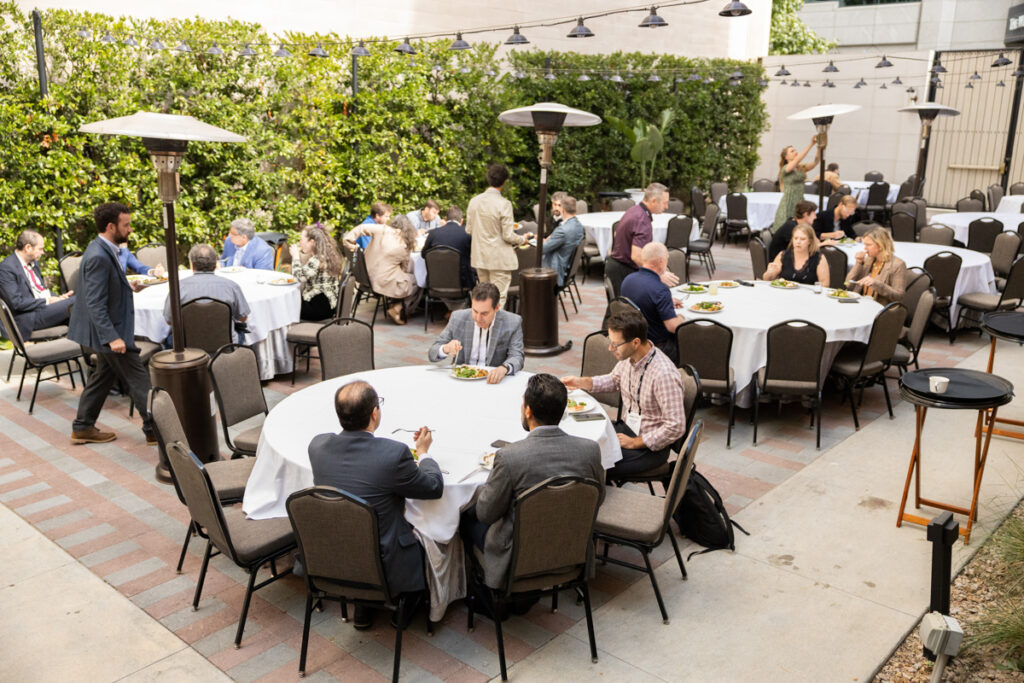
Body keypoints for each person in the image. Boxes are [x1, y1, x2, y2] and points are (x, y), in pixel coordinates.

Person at [308, 380, 443, 629]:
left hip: (332, 553)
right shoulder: (392, 454)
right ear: (374, 413)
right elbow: (433, 488)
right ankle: (407, 600)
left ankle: (363, 605)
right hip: (385, 559)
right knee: (434, 535)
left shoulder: (317, 447)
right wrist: (423, 453)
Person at [459, 373, 605, 589]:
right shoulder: (590, 450)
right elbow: (597, 498)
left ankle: (479, 594)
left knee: (464, 520)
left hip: (519, 557)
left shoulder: (510, 457)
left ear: (528, 410)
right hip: (571, 548)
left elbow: (486, 514)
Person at [562, 310, 686, 480]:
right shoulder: (629, 358)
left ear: (635, 342)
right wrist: (579, 382)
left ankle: (597, 499)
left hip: (649, 448)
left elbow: (676, 426)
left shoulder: (663, 375)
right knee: (581, 443)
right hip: (627, 429)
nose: (610, 348)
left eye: (615, 344)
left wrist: (635, 442)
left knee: (589, 464)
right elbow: (613, 380)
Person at [68, 202, 155, 445]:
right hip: (111, 331)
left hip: (109, 329)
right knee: (139, 378)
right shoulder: (98, 256)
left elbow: (105, 288)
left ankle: (83, 426)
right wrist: (112, 337)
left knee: (103, 376)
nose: (130, 230)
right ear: (110, 226)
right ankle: (155, 430)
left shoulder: (103, 249)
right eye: (125, 225)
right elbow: (95, 302)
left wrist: (128, 285)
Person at [427, 282, 524, 384]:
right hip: (462, 381)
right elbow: (432, 353)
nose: (478, 318)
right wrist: (446, 348)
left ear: (497, 308)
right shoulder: (458, 318)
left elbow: (517, 356)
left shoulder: (513, 322)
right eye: (475, 311)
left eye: (484, 313)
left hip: (492, 381)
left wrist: (504, 368)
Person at [465, 164, 533, 309]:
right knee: (498, 299)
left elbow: (469, 230)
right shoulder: (504, 204)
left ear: (488, 179)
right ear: (505, 182)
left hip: (481, 257)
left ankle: (483, 329)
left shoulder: (474, 201)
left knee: (484, 298)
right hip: (499, 260)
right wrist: (522, 239)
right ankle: (494, 330)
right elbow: (508, 235)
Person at [343, 214, 421, 325]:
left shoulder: (382, 229)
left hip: (364, 277)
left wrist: (348, 240)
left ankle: (393, 304)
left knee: (402, 277)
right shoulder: (404, 243)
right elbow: (404, 267)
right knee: (416, 280)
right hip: (381, 282)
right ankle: (397, 308)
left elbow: (361, 228)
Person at [0, 229, 75, 340]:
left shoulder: (34, 264)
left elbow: (41, 289)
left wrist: (59, 298)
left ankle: (84, 348)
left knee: (75, 305)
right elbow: (16, 303)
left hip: (42, 309)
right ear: (28, 247)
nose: (42, 252)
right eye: (40, 249)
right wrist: (47, 301)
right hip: (27, 318)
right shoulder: (6, 269)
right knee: (78, 301)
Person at [620, 243, 686, 364]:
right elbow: (673, 327)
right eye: (667, 259)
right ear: (661, 261)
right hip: (658, 346)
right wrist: (682, 318)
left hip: (633, 340)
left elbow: (641, 299)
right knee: (690, 338)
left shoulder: (628, 280)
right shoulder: (660, 289)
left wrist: (666, 302)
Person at [163, 244, 249, 337]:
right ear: (216, 264)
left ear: (192, 264)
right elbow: (243, 318)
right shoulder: (231, 286)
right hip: (226, 345)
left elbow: (169, 321)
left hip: (187, 348)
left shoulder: (177, 288)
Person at [605, 182, 674, 297]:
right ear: (653, 201)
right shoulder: (642, 219)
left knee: (618, 310)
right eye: (664, 203)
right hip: (623, 271)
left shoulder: (634, 210)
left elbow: (617, 233)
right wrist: (657, 274)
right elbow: (636, 256)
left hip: (616, 267)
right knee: (625, 311)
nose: (666, 207)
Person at [289, 224, 343, 321]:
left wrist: (295, 257)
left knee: (285, 305)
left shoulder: (317, 259)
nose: (300, 242)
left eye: (301, 239)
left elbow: (299, 278)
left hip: (319, 307)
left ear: (312, 242)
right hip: (328, 304)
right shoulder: (326, 255)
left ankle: (284, 334)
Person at [846, 227, 907, 304]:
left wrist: (877, 284)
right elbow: (848, 285)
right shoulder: (868, 260)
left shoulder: (897, 264)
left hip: (881, 309)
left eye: (868, 245)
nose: (865, 248)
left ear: (881, 245)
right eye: (865, 244)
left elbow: (899, 297)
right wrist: (858, 263)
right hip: (861, 304)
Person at [423, 205, 475, 292]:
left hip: (435, 283)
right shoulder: (467, 234)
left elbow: (423, 254)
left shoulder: (433, 233)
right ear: (461, 221)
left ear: (446, 219)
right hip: (462, 283)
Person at [772, 137, 819, 231]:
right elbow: (797, 159)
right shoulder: (785, 168)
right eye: (792, 151)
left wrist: (819, 148)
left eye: (795, 150)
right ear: (786, 157)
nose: (795, 152)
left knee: (801, 226)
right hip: (789, 200)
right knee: (789, 224)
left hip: (800, 198)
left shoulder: (801, 168)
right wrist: (811, 144)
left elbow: (815, 162)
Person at [763, 223, 831, 286]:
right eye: (795, 238)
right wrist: (770, 272)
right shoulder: (783, 255)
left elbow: (825, 285)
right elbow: (766, 279)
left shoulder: (819, 259)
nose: (798, 242)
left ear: (809, 241)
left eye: (802, 239)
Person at [541, 195, 584, 286]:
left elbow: (542, 249)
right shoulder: (579, 226)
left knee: (527, 260)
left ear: (562, 209)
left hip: (555, 268)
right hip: (567, 267)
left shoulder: (562, 230)